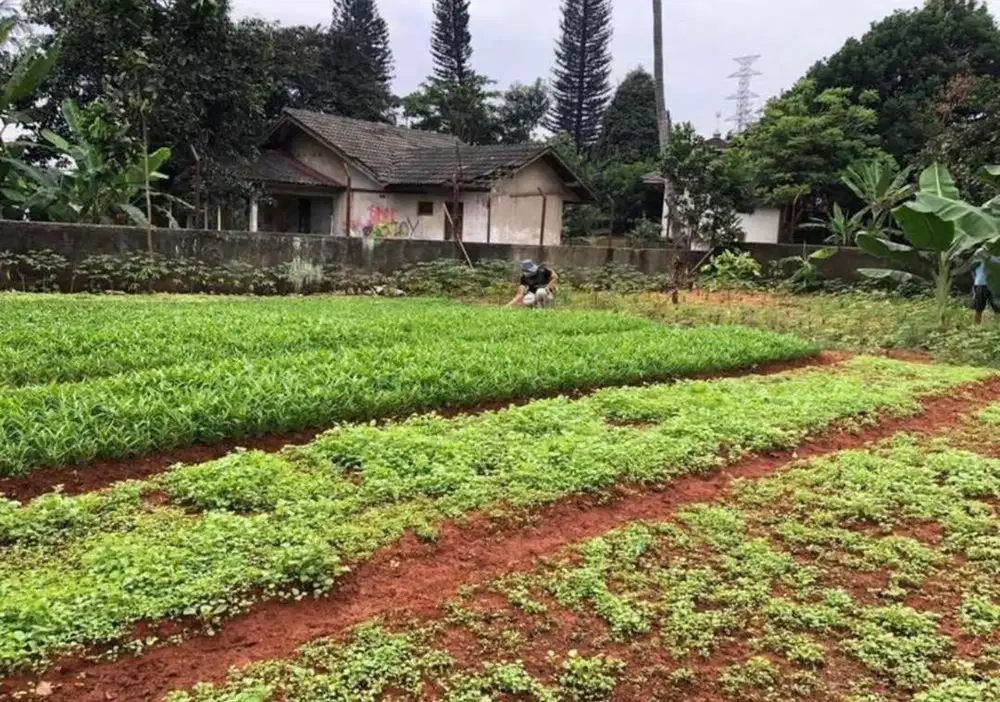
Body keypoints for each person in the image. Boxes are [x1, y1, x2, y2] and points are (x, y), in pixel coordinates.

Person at [973, 256, 1000, 324]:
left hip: (994, 284)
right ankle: (976, 326)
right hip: (981, 283)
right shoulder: (980, 254)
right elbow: (972, 267)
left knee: (998, 307)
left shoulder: (997, 254)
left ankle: (997, 327)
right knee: (978, 308)